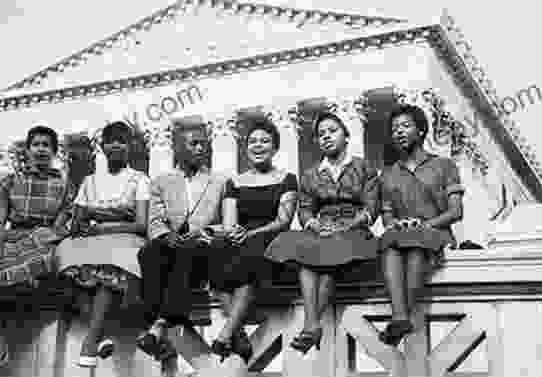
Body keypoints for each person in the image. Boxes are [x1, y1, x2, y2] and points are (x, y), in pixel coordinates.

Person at [0, 125, 72, 369]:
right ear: (28, 149)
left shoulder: (64, 185)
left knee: (31, 263)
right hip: (13, 236)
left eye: (46, 145)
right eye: (36, 144)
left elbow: (60, 226)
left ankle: (0, 346)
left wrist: (44, 235)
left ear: (53, 151)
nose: (41, 149)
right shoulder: (10, 181)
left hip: (44, 237)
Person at [265, 112, 380, 354]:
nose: (326, 137)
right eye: (321, 134)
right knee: (306, 249)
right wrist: (316, 225)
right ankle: (313, 324)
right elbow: (305, 209)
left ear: (346, 136)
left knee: (325, 255)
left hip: (354, 229)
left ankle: (311, 325)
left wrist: (346, 226)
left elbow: (371, 208)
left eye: (332, 131)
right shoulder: (310, 174)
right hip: (322, 229)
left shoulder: (363, 167)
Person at [56, 121, 150, 368]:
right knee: (66, 254)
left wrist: (101, 221)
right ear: (102, 146)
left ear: (130, 147)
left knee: (112, 260)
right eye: (111, 141)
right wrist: (110, 215)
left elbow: (140, 224)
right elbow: (77, 221)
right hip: (92, 238)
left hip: (125, 238)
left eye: (122, 141)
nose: (116, 146)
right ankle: (100, 335)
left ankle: (91, 340)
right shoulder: (89, 181)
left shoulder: (139, 179)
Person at [136, 122, 228, 362]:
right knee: (148, 253)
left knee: (187, 251)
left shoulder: (219, 181)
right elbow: (154, 221)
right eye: (193, 143)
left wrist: (204, 232)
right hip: (171, 241)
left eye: (203, 144)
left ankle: (161, 323)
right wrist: (167, 236)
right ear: (177, 149)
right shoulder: (161, 181)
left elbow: (226, 223)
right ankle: (156, 323)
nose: (200, 148)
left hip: (204, 243)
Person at [208, 119, 298, 363]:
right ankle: (237, 334)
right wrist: (233, 232)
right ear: (245, 148)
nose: (258, 146)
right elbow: (228, 223)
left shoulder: (287, 178)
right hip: (242, 236)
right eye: (253, 141)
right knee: (216, 247)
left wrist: (251, 234)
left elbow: (284, 220)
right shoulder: (234, 182)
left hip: (271, 236)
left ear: (275, 147)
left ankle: (226, 333)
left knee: (250, 253)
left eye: (265, 141)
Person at [377, 104, 464, 346]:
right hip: (403, 236)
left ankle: (401, 316)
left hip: (436, 234)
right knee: (389, 243)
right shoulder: (388, 174)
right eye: (394, 129)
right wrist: (398, 223)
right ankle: (401, 317)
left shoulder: (444, 165)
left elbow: (456, 212)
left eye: (405, 126)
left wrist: (424, 225)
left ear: (422, 131)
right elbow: (386, 216)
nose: (399, 132)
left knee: (415, 247)